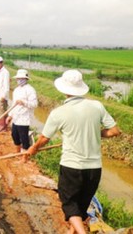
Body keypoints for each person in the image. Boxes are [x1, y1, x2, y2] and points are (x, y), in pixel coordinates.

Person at [26, 69, 121, 234]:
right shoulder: (97, 106)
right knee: (82, 204)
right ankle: (72, 231)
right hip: (94, 168)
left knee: (69, 204)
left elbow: (43, 138)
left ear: (63, 89)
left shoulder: (58, 113)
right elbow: (114, 131)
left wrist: (32, 149)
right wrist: (92, 132)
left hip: (72, 167)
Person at [6, 69, 38, 155]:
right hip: (16, 117)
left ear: (26, 79)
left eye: (22, 78)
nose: (19, 80)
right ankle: (17, 152)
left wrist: (24, 103)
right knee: (14, 135)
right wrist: (10, 115)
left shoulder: (30, 90)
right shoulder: (16, 90)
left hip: (24, 118)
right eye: (18, 78)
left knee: (24, 138)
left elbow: (34, 104)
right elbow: (13, 104)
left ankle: (24, 156)